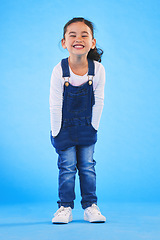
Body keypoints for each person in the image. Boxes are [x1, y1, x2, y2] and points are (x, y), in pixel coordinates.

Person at [49, 17, 106, 224]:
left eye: (84, 35)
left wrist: (93, 128)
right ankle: (65, 207)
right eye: (72, 35)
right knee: (67, 167)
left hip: (87, 127)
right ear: (64, 42)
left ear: (92, 42)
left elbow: (98, 101)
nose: (78, 39)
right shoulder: (59, 70)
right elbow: (55, 104)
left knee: (88, 166)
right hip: (63, 128)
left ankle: (90, 206)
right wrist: (56, 132)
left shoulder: (98, 70)